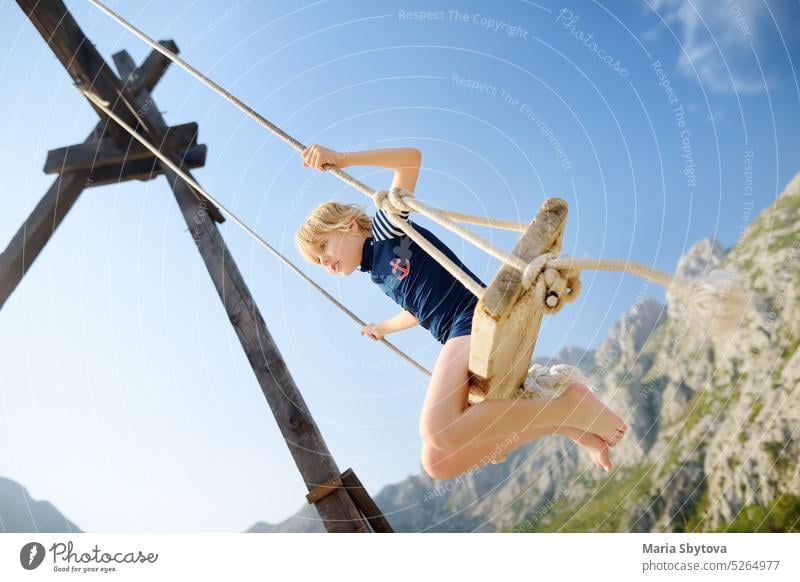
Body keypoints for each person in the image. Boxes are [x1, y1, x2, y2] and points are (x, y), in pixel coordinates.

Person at [295, 144, 627, 480]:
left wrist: (343, 159)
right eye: (318, 262)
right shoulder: (377, 273)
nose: (325, 263)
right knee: (438, 463)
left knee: (436, 429)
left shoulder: (386, 231)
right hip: (452, 333)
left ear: (350, 226)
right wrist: (382, 328)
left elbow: (411, 159)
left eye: (322, 247)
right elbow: (417, 311)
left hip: (468, 318)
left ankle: (569, 407)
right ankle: (568, 424)